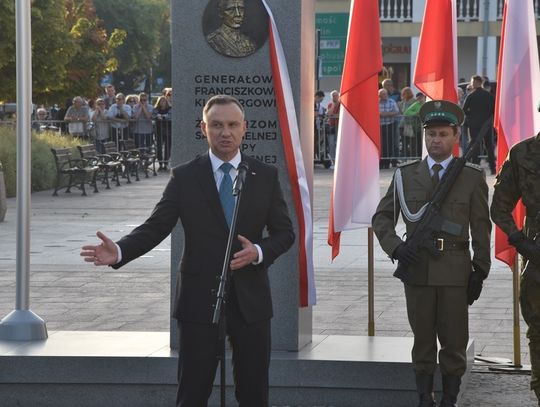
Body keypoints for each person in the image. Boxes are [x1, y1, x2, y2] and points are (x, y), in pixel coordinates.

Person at [80, 95, 294, 406]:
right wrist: (121, 251)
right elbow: (155, 226)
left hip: (251, 301)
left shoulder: (264, 175)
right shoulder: (185, 176)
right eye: (217, 125)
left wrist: (259, 252)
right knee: (193, 392)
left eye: (233, 125)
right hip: (198, 300)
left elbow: (285, 233)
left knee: (254, 393)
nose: (225, 132)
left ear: (244, 129)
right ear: (203, 128)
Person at [372, 100, 491, 407]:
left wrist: (480, 268)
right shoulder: (405, 175)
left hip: (455, 271)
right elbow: (382, 218)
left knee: (454, 343)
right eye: (431, 135)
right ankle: (425, 398)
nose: (436, 140)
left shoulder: (471, 177)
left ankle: (449, 399)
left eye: (442, 134)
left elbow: (480, 226)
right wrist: (395, 246)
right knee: (423, 339)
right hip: (418, 270)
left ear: (455, 138)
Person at [491, 106, 540, 405]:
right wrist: (523, 243)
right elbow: (499, 207)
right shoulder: (523, 154)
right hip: (536, 251)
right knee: (538, 327)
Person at [462, 75, 496, 174]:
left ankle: (475, 167)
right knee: (489, 147)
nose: (471, 84)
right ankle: (492, 168)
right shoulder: (489, 96)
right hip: (487, 125)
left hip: (474, 125)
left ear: (476, 83)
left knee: (474, 145)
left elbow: (464, 110)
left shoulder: (471, 96)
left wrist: (471, 116)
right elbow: (494, 110)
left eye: (472, 82)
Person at [378, 88, 400, 169]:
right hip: (379, 126)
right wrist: (379, 114)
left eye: (385, 94)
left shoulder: (391, 102)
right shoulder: (376, 102)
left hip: (390, 125)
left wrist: (387, 114)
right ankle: (381, 163)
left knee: (389, 144)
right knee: (381, 144)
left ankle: (386, 163)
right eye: (383, 94)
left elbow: (396, 111)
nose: (385, 95)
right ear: (379, 95)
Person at [152, 95, 172, 171]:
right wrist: (157, 116)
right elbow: (153, 116)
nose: (162, 102)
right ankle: (160, 163)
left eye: (164, 101)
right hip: (159, 131)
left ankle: (166, 163)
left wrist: (162, 117)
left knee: (167, 147)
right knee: (159, 148)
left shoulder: (170, 109)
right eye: (161, 101)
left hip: (168, 131)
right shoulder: (156, 109)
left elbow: (170, 116)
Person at [326, 90, 340, 168]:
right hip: (332, 127)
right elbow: (329, 113)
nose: (335, 97)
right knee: (331, 145)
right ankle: (333, 161)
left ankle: (339, 161)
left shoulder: (342, 104)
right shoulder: (330, 104)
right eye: (333, 96)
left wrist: (334, 115)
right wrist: (334, 105)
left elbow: (340, 114)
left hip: (339, 127)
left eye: (336, 95)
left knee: (338, 143)